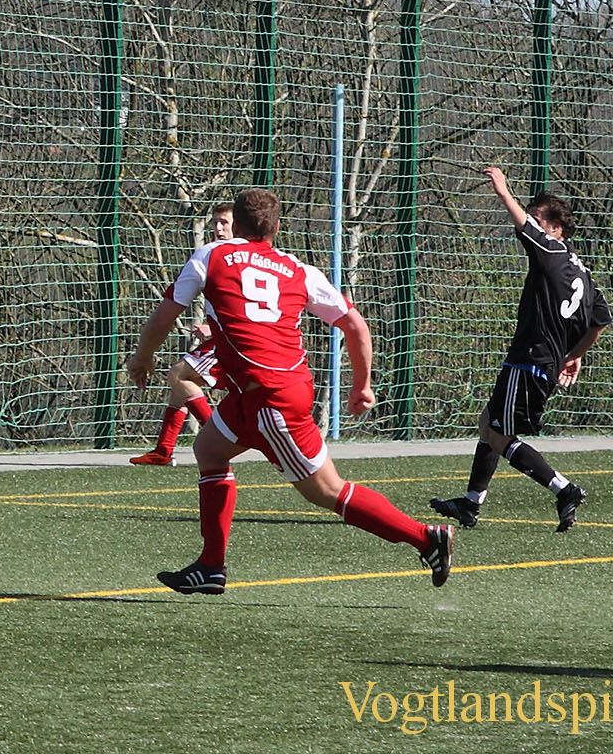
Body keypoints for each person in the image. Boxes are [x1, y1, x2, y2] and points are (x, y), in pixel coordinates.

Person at [126, 188, 455, 594]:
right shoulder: (298, 269)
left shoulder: (212, 254)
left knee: (328, 490)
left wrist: (142, 358)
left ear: (235, 225)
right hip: (262, 393)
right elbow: (355, 325)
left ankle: (426, 538)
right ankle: (210, 566)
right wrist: (362, 385)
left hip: (271, 399)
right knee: (209, 449)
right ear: (277, 228)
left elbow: (165, 315)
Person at [431, 167, 612, 532]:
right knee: (489, 423)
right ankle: (470, 503)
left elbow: (524, 226)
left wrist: (503, 191)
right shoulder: (582, 272)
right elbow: (600, 320)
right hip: (539, 362)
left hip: (530, 360)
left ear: (556, 228)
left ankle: (564, 489)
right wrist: (576, 354)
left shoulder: (553, 251)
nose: (532, 222)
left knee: (499, 436)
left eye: (538, 218)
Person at [130, 202, 234, 466]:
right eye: (215, 222)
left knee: (177, 374)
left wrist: (215, 328)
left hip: (230, 339)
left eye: (225, 222)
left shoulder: (213, 255)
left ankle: (218, 438)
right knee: (182, 383)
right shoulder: (235, 256)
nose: (219, 228)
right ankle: (163, 450)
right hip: (232, 337)